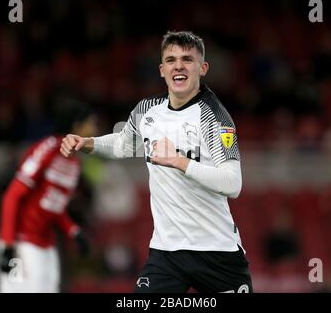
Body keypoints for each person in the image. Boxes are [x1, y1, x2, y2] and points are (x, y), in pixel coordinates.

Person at [61, 31, 253, 293]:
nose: (179, 66)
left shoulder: (215, 118)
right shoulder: (147, 111)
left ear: (203, 67)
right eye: (171, 59)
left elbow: (233, 184)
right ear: (162, 70)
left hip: (216, 251)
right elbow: (122, 145)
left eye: (188, 59)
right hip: (166, 253)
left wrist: (180, 161)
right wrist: (87, 143)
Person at [0, 101, 98, 293]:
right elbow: (11, 196)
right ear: (77, 126)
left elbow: (54, 208)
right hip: (21, 243)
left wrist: (73, 231)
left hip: (46, 244)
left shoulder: (74, 165)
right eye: (91, 123)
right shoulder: (47, 149)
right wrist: (8, 246)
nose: (95, 128)